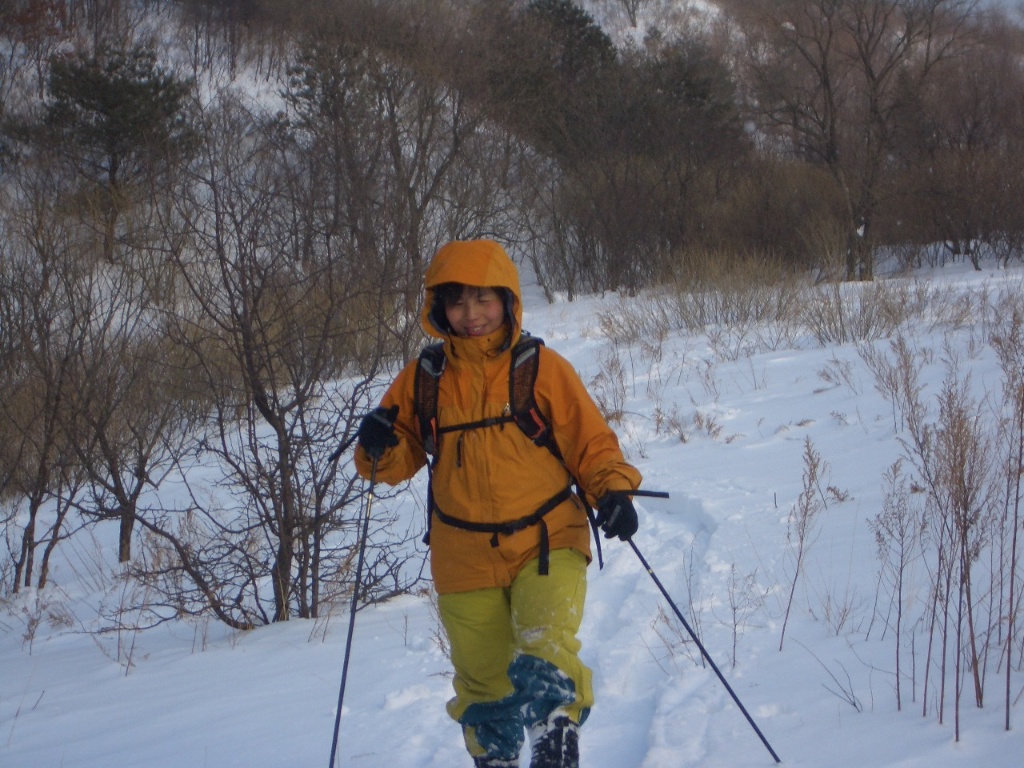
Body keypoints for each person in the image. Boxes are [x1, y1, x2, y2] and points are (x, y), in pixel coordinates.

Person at [354, 239, 642, 768]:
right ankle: (497, 758)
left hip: (547, 537)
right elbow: (390, 464)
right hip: (462, 553)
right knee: (483, 679)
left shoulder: (541, 368)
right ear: (439, 308)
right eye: (458, 302)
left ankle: (555, 737)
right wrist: (376, 442)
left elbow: (590, 442)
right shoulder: (424, 379)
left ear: (508, 301)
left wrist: (613, 491)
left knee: (544, 640)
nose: (472, 315)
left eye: (484, 300)